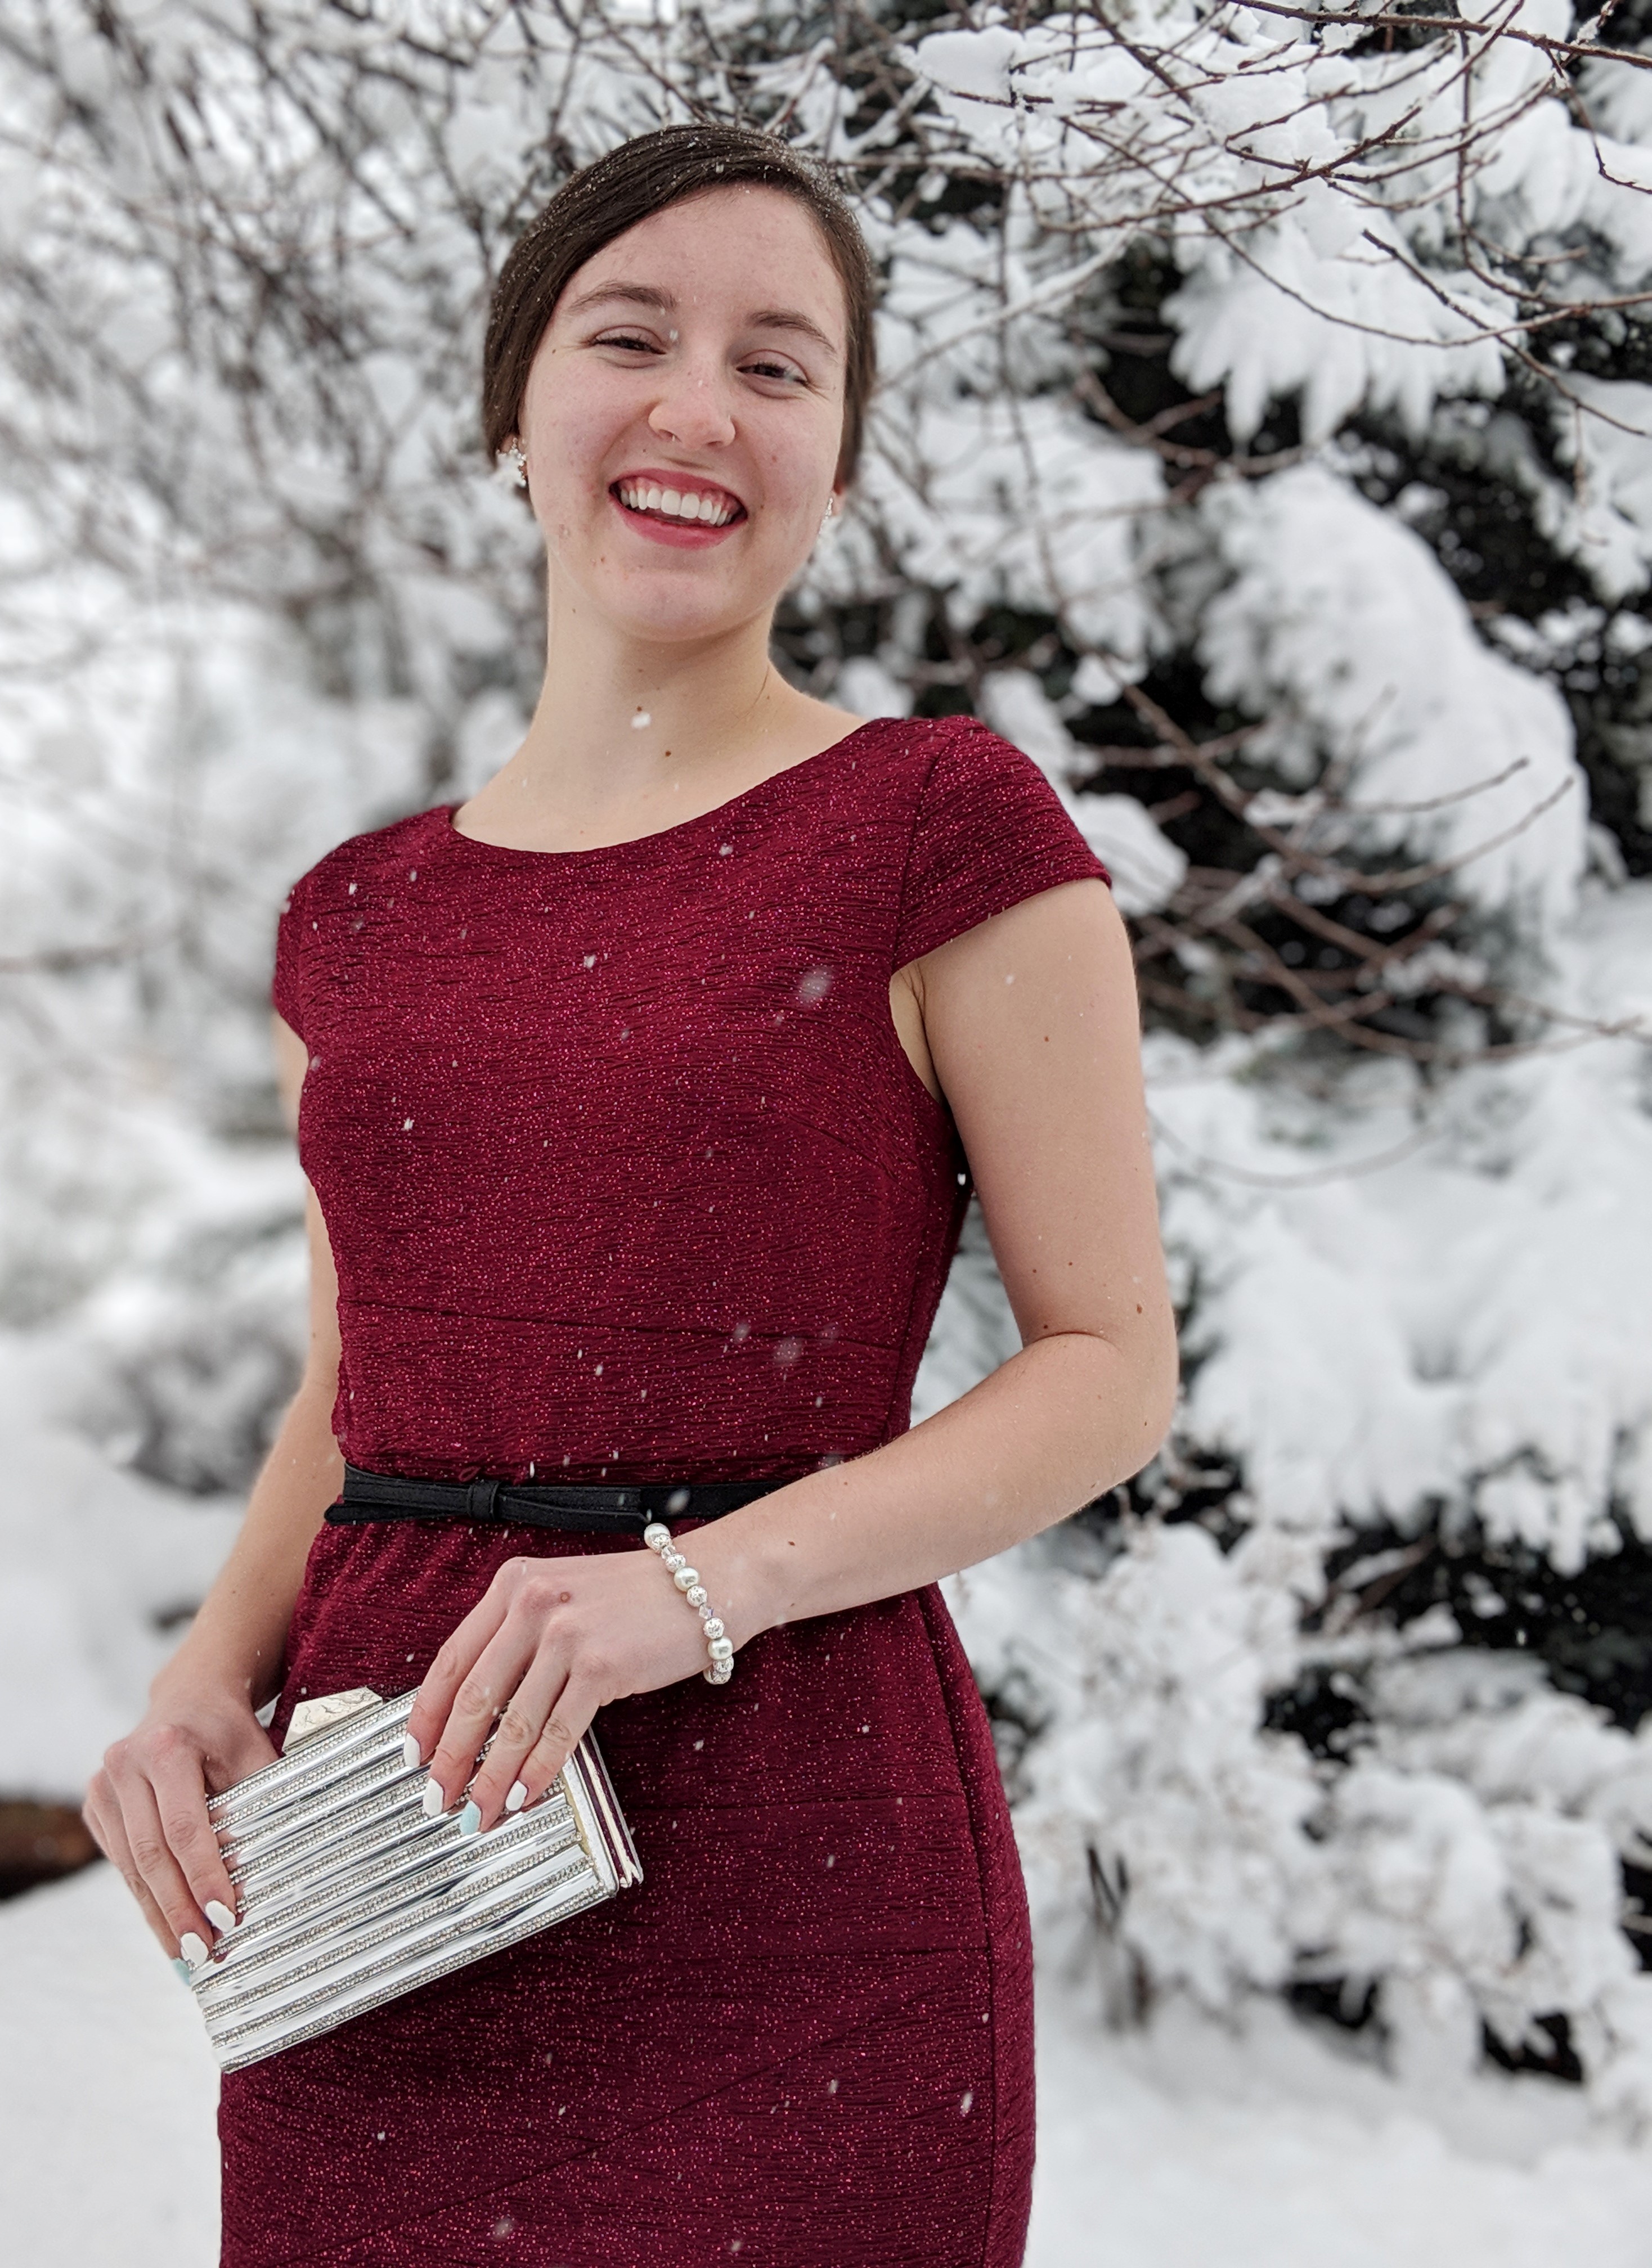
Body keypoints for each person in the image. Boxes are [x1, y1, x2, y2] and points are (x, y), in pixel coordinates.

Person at [82, 122, 1175, 2267]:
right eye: (631, 335)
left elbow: (1107, 1370)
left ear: (839, 461)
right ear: (516, 415)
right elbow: (353, 1390)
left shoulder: (938, 828)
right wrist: (208, 1678)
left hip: (794, 1837)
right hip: (394, 1849)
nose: (699, 409)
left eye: (781, 365)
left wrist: (685, 1596)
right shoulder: (355, 920)